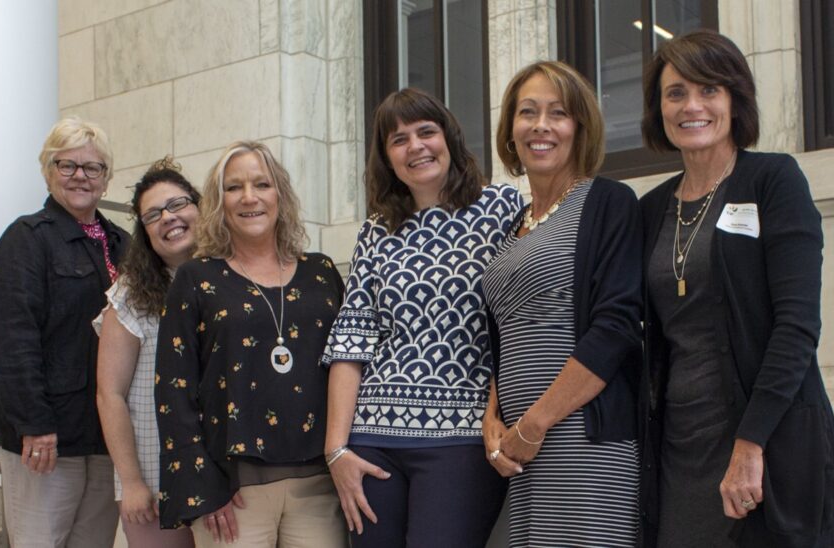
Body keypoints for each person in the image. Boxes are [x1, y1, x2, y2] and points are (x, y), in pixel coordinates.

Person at [638, 30, 834, 548]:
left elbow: (797, 326)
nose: (692, 106)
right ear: (659, 108)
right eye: (676, 92)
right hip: (678, 452)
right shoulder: (649, 209)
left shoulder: (773, 181)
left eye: (709, 90)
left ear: (734, 100)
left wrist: (750, 444)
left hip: (765, 447)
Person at [322, 88, 522, 548]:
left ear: (449, 138)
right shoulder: (377, 228)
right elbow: (352, 339)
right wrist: (337, 451)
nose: (415, 146)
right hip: (372, 440)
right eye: (399, 139)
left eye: (426, 132)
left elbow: (514, 326)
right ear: (386, 158)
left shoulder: (502, 209)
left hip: (462, 440)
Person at [481, 60, 644, 547]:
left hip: (583, 441)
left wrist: (535, 422)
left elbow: (616, 327)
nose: (541, 126)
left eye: (558, 113)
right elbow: (506, 337)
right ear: (511, 130)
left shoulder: (608, 202)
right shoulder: (513, 227)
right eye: (527, 112)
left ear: (580, 127)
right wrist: (493, 419)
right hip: (521, 449)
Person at [155, 140, 347, 547]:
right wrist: (203, 488)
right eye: (233, 187)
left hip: (320, 486)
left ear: (281, 194)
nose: (249, 197)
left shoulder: (322, 273)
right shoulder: (197, 279)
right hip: (233, 496)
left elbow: (351, 367)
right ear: (217, 202)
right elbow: (173, 390)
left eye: (261, 184)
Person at [0, 116, 129, 547]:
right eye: (67, 165)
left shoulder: (124, 244)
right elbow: (11, 340)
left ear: (106, 178)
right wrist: (35, 424)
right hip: (45, 436)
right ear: (48, 171)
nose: (80, 176)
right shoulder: (24, 240)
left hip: (102, 433)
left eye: (92, 167)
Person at [94, 157, 200, 547]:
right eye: (153, 214)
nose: (168, 218)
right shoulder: (130, 296)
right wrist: (133, 482)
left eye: (177, 204)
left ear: (199, 207)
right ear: (144, 231)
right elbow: (110, 394)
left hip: (222, 475)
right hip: (155, 477)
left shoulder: (229, 277)